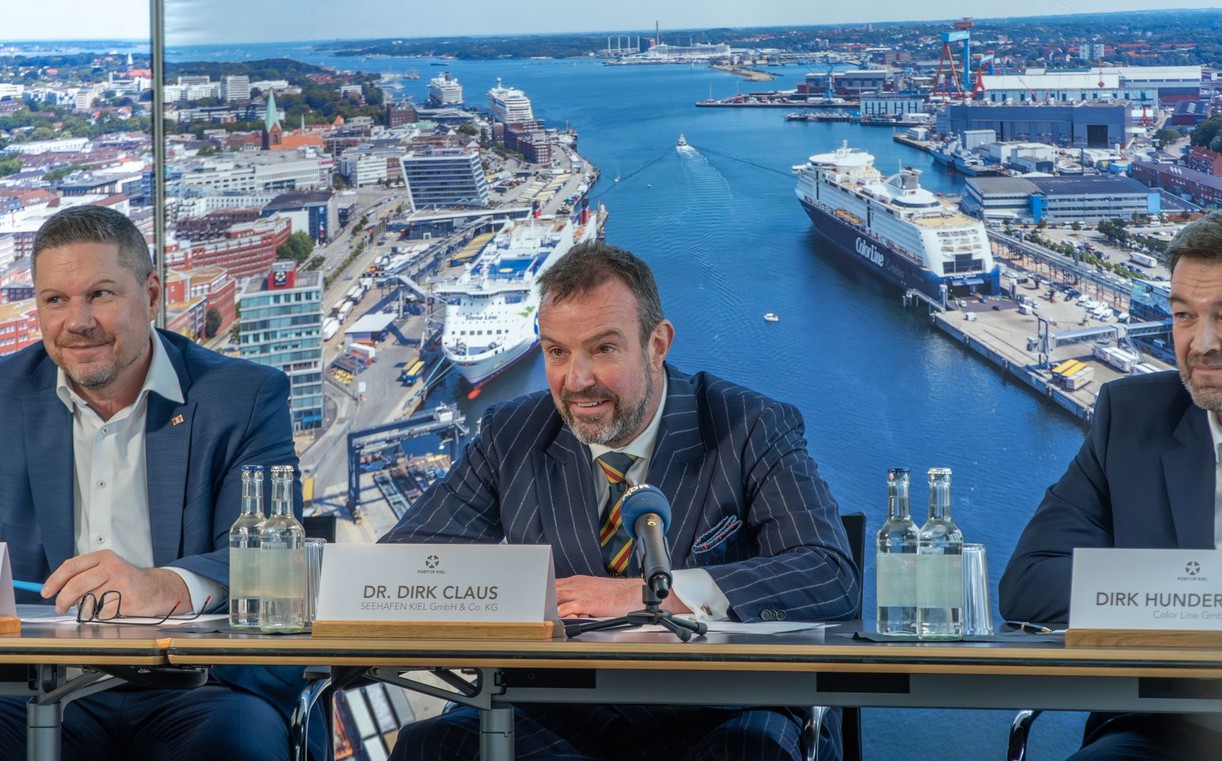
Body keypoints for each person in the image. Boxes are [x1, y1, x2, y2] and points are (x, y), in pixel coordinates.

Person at [381, 240, 860, 761]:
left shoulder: (750, 425)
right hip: (558, 704)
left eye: (603, 349)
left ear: (657, 344)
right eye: (557, 352)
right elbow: (399, 565)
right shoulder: (511, 434)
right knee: (431, 746)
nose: (577, 380)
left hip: (724, 706)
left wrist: (651, 596)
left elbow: (828, 573)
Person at [0, 205, 323, 761]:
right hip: (32, 684)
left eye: (100, 294)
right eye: (55, 300)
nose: (77, 321)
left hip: (202, 687)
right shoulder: (3, 396)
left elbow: (272, 554)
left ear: (151, 296)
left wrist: (165, 588)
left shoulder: (242, 397)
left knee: (233, 748)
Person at [1000, 209, 1222, 760]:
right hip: (1165, 723)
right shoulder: (1133, 417)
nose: (1202, 343)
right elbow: (1029, 581)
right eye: (1184, 315)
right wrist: (1200, 598)